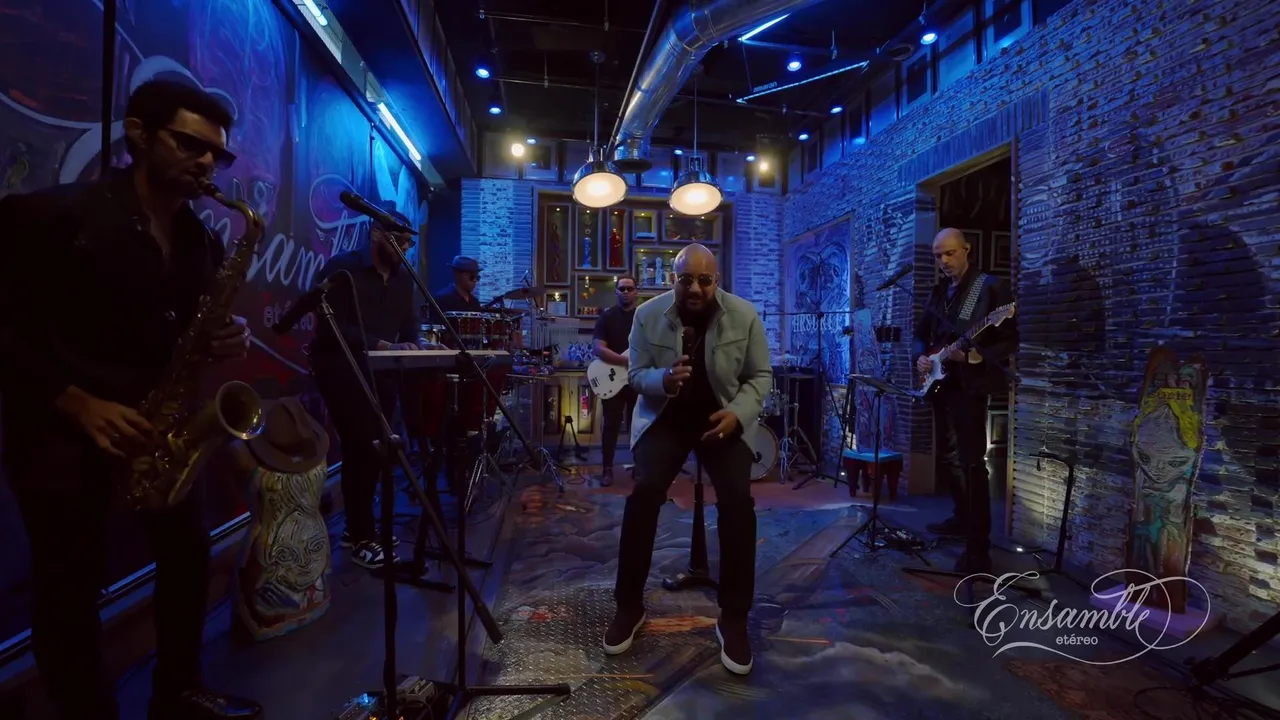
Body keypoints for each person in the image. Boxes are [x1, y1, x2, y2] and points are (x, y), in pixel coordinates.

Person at [0, 79, 261, 719]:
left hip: (157, 435)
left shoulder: (201, 241)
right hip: (62, 440)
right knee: (69, 588)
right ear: (139, 134)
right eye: (190, 144)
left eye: (217, 154)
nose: (206, 162)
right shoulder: (52, 216)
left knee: (188, 559)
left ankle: (178, 692)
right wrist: (74, 401)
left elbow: (187, 332)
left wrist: (227, 334)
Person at [602, 244, 772, 676]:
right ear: (672, 279)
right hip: (666, 420)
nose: (695, 288)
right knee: (644, 493)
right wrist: (663, 378)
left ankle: (734, 616)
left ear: (717, 280)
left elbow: (759, 376)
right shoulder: (647, 315)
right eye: (685, 279)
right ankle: (629, 605)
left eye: (704, 280)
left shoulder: (745, 315)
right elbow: (635, 374)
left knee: (738, 503)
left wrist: (738, 414)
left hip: (723, 419)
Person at [308, 209, 421, 569]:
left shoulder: (403, 280)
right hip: (341, 369)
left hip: (381, 373)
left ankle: (358, 528)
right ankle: (361, 536)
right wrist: (383, 345)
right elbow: (331, 327)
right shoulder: (343, 268)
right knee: (361, 447)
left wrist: (416, 347)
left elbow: (410, 325)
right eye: (399, 240)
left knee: (379, 449)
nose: (405, 247)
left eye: (408, 242)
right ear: (376, 234)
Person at [912, 228, 1019, 574]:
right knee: (948, 456)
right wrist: (921, 357)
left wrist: (973, 356)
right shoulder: (939, 291)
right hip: (940, 383)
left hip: (970, 387)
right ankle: (961, 518)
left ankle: (978, 548)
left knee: (972, 463)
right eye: (938, 256)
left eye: (950, 253)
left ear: (967, 249)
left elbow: (1009, 341)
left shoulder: (990, 288)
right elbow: (920, 334)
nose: (944, 261)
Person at [592, 274, 639, 486]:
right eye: (622, 289)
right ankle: (607, 469)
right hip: (613, 379)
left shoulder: (643, 318)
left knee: (638, 424)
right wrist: (624, 361)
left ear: (636, 291)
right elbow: (598, 348)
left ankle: (639, 465)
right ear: (616, 292)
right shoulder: (607, 317)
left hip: (637, 379)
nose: (626, 292)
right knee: (611, 424)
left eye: (629, 288)